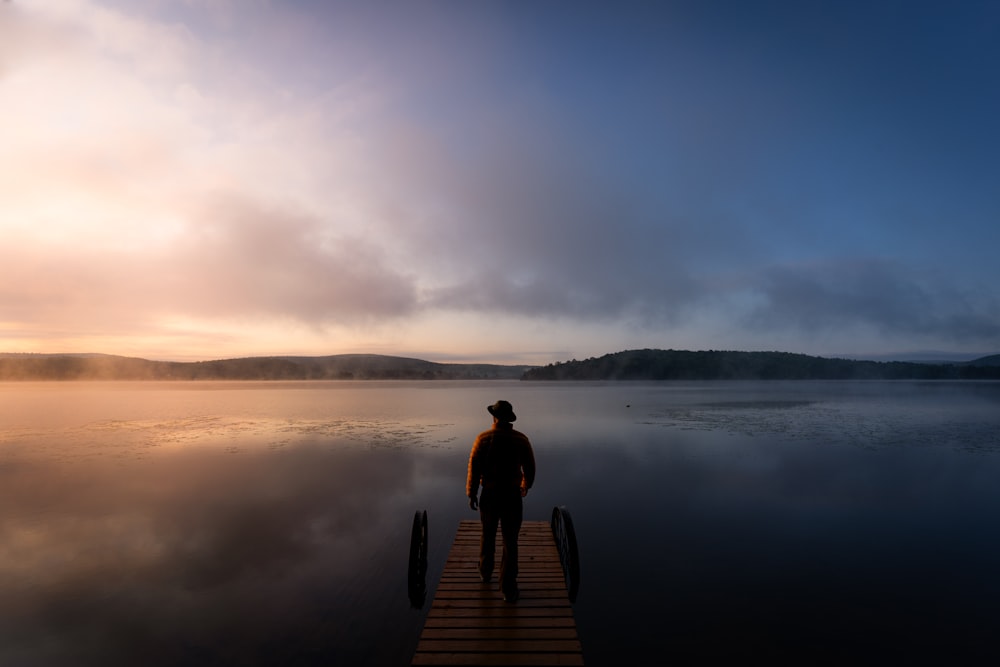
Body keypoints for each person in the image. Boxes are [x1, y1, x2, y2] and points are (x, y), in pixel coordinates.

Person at [466, 399, 536, 603]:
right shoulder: (521, 439)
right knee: (510, 541)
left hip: (489, 494)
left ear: (494, 417)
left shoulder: (483, 438)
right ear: (509, 418)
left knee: (487, 535)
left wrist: (471, 493)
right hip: (512, 496)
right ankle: (507, 588)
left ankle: (485, 572)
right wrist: (525, 485)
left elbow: (474, 468)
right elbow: (530, 468)